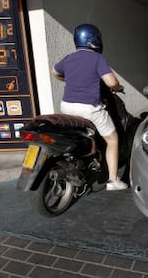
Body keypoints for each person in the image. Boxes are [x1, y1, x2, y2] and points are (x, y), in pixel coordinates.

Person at [50, 23, 128, 191]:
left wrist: (67, 80)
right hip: (88, 109)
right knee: (112, 140)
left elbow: (54, 71)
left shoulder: (69, 58)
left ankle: (89, 155)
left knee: (86, 131)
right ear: (94, 40)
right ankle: (113, 181)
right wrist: (117, 88)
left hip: (67, 107)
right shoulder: (97, 59)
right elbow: (111, 82)